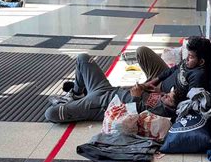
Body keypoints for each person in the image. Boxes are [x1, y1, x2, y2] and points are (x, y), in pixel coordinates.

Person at [45, 53, 183, 123]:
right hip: (108, 90)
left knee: (50, 113)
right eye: (168, 94)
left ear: (173, 108)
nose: (165, 95)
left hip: (101, 104)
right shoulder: (166, 97)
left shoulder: (163, 114)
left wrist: (135, 96)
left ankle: (74, 103)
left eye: (169, 99)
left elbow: (133, 122)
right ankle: (76, 94)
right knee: (83, 58)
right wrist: (144, 87)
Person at [136, 36, 211, 98]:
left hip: (165, 96)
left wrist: (161, 93)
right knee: (142, 51)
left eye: (191, 56)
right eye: (188, 55)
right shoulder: (189, 62)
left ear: (201, 62)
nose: (187, 58)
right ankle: (148, 82)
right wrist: (154, 81)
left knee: (135, 95)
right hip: (161, 80)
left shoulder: (197, 77)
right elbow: (173, 69)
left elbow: (185, 101)